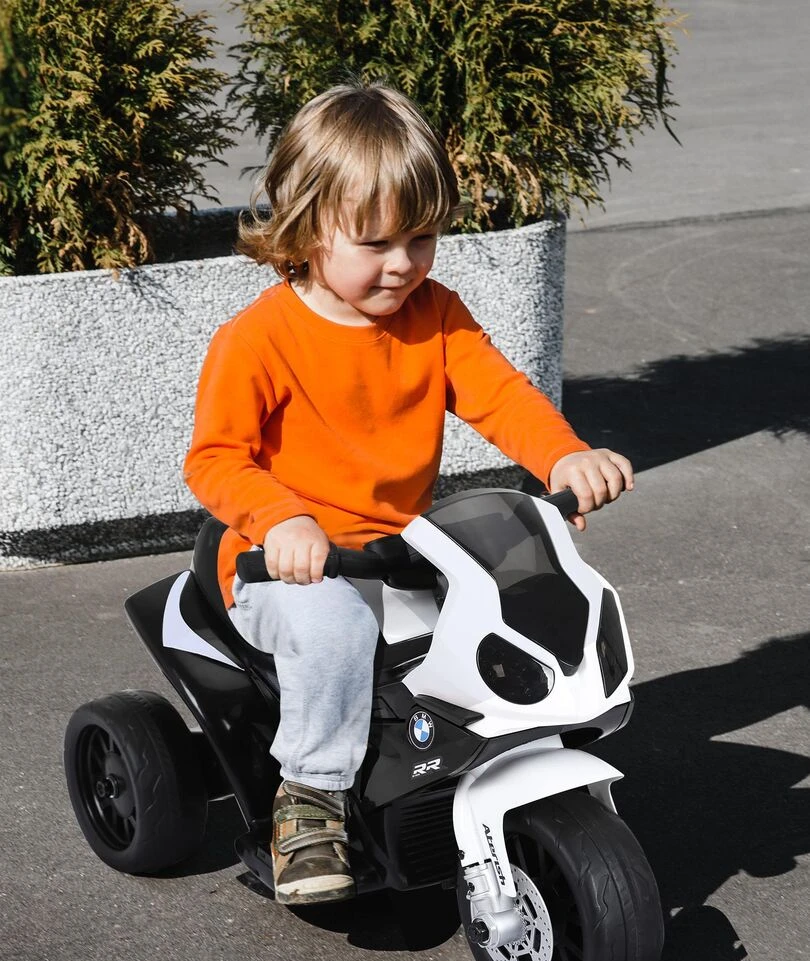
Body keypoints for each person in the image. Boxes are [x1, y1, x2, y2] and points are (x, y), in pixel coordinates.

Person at [183, 83, 634, 906]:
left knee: (523, 595)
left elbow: (500, 396)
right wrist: (282, 518)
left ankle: (515, 769)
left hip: (401, 547)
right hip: (283, 563)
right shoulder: (258, 340)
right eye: (377, 241)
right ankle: (310, 798)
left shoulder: (435, 314)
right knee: (335, 626)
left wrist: (564, 457)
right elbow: (215, 461)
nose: (404, 262)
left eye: (423, 237)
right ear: (312, 227)